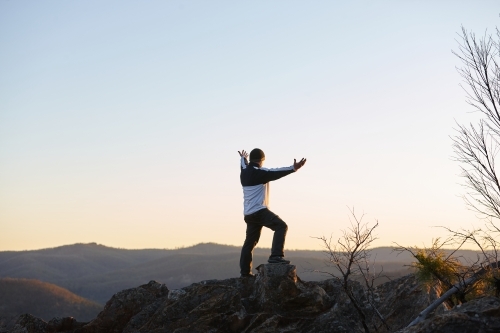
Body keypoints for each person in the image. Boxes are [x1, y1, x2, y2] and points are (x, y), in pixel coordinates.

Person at [238, 148, 306, 277]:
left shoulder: (244, 171)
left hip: (248, 214)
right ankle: (276, 256)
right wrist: (293, 168)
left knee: (249, 242)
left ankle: (245, 273)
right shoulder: (260, 173)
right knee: (281, 226)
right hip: (259, 211)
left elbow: (243, 164)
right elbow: (275, 172)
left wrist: (242, 158)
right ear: (262, 160)